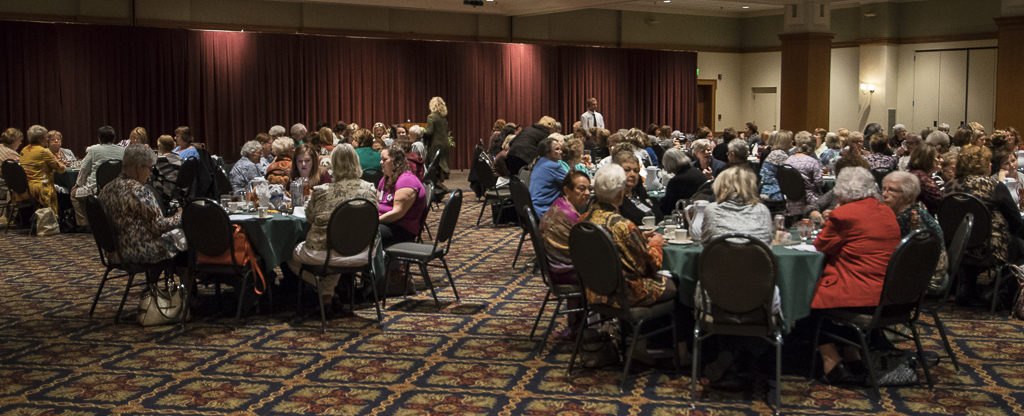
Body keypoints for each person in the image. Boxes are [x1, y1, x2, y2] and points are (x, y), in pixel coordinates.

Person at [810, 166, 901, 384]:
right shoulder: (886, 211)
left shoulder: (844, 214)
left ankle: (830, 359)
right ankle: (852, 353)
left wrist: (838, 212)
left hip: (860, 294)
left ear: (842, 191)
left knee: (806, 296)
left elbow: (820, 245)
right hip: (891, 294)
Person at [288, 144, 378, 310]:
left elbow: (309, 218)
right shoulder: (370, 189)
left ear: (333, 165)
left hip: (326, 252)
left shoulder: (322, 191)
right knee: (338, 245)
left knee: (287, 255)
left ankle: (323, 289)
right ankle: (327, 295)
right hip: (362, 251)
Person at [579, 164, 675, 307]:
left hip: (594, 291)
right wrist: (656, 243)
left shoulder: (584, 220)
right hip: (624, 294)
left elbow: (613, 245)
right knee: (677, 281)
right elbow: (650, 265)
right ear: (620, 193)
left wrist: (640, 237)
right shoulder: (623, 225)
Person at [946, 145, 1024, 306]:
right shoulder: (993, 186)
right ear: (981, 165)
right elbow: (1016, 221)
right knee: (1019, 243)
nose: (990, 165)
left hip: (956, 247)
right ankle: (1000, 290)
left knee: (977, 235)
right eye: (988, 162)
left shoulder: (950, 186)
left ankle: (967, 286)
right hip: (989, 249)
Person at [99, 143, 185, 268]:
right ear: (139, 167)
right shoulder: (139, 191)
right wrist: (182, 216)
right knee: (184, 236)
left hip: (114, 252)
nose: (150, 173)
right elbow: (159, 226)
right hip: (138, 252)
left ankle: (153, 284)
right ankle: (187, 286)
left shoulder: (107, 188)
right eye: (150, 168)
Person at [538, 170, 592, 334]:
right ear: (567, 190)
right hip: (564, 271)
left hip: (556, 266)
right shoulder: (569, 215)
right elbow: (588, 250)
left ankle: (578, 325)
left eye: (589, 189)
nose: (587, 193)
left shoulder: (559, 204)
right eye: (581, 189)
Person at [881, 171, 948, 292]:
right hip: (923, 276)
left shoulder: (908, 218)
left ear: (908, 195)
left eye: (891, 190)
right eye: (884, 189)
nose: (884, 194)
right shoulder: (916, 209)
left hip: (927, 282)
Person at [699, 166, 772, 244]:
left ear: (720, 185)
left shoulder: (712, 209)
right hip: (757, 255)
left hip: (721, 255)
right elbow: (769, 242)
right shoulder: (762, 210)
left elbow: (705, 241)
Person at [72, 126, 125, 225]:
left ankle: (85, 224)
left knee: (73, 194)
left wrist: (78, 184)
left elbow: (84, 169)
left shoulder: (93, 150)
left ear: (99, 138)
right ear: (114, 138)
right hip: (118, 188)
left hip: (97, 189)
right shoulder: (123, 150)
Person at [378, 146, 427, 247]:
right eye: (381, 159)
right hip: (386, 223)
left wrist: (374, 221)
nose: (381, 162)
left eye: (384, 160)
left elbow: (398, 213)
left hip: (401, 229)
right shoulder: (385, 179)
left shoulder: (406, 181)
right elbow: (376, 201)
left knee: (365, 233)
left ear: (396, 162)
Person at [18, 125, 66, 215]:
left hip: (24, 188)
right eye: (47, 137)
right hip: (40, 188)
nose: (47, 139)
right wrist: (63, 165)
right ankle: (52, 221)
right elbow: (61, 170)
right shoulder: (44, 152)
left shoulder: (24, 150)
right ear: (41, 139)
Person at [610, 146, 660, 226]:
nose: (633, 174)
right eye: (627, 170)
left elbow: (659, 214)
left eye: (636, 171)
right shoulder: (615, 200)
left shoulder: (639, 193)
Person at [784, 131, 825, 214]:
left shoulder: (787, 161)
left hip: (790, 200)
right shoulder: (812, 162)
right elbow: (819, 183)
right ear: (812, 146)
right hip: (810, 200)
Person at [529, 137, 568, 219]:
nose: (561, 152)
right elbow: (572, 183)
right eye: (557, 149)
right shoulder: (553, 166)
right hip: (545, 211)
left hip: (534, 210)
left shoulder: (539, 163)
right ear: (547, 153)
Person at [659, 147, 706, 215]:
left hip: (685, 213)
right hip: (700, 210)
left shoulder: (677, 181)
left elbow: (668, 207)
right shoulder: (697, 172)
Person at [906, 143, 943, 214]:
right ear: (929, 160)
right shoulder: (921, 177)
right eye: (937, 157)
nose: (939, 160)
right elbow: (940, 202)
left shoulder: (914, 173)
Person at [425, 96, 450, 186]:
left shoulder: (431, 117)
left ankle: (437, 185)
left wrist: (421, 132)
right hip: (445, 144)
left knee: (435, 165)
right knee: (441, 164)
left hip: (435, 144)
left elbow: (429, 132)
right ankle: (441, 182)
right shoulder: (443, 118)